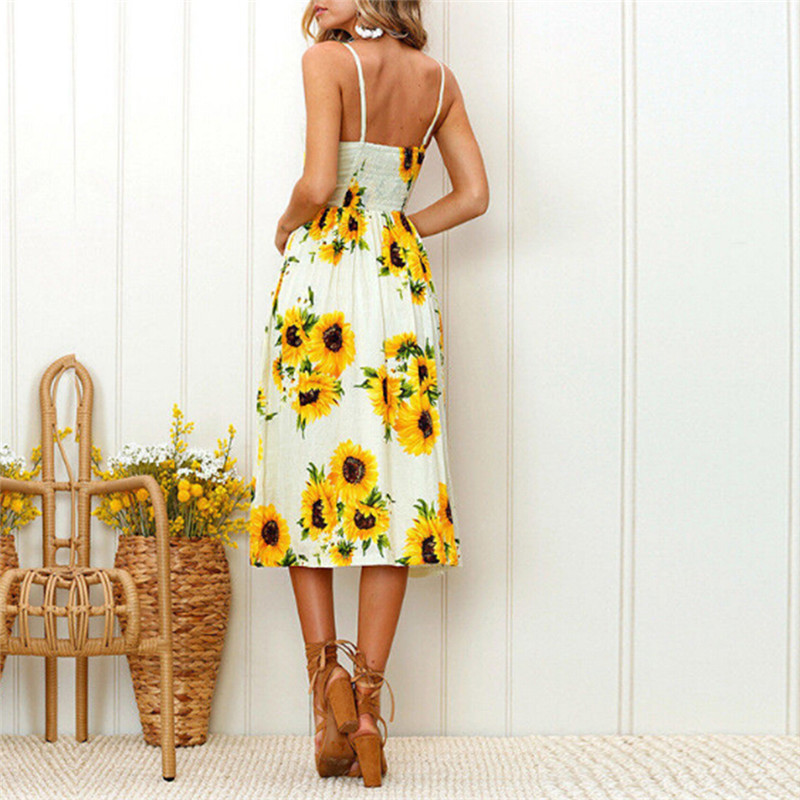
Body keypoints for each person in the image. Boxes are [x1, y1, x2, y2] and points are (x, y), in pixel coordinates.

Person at [249, 0, 489, 787]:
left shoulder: (327, 62)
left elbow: (319, 181)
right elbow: (474, 194)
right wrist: (402, 228)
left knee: (305, 478)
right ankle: (367, 714)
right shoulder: (437, 79)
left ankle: (326, 696)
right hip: (398, 286)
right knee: (395, 485)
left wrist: (286, 225)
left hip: (324, 280)